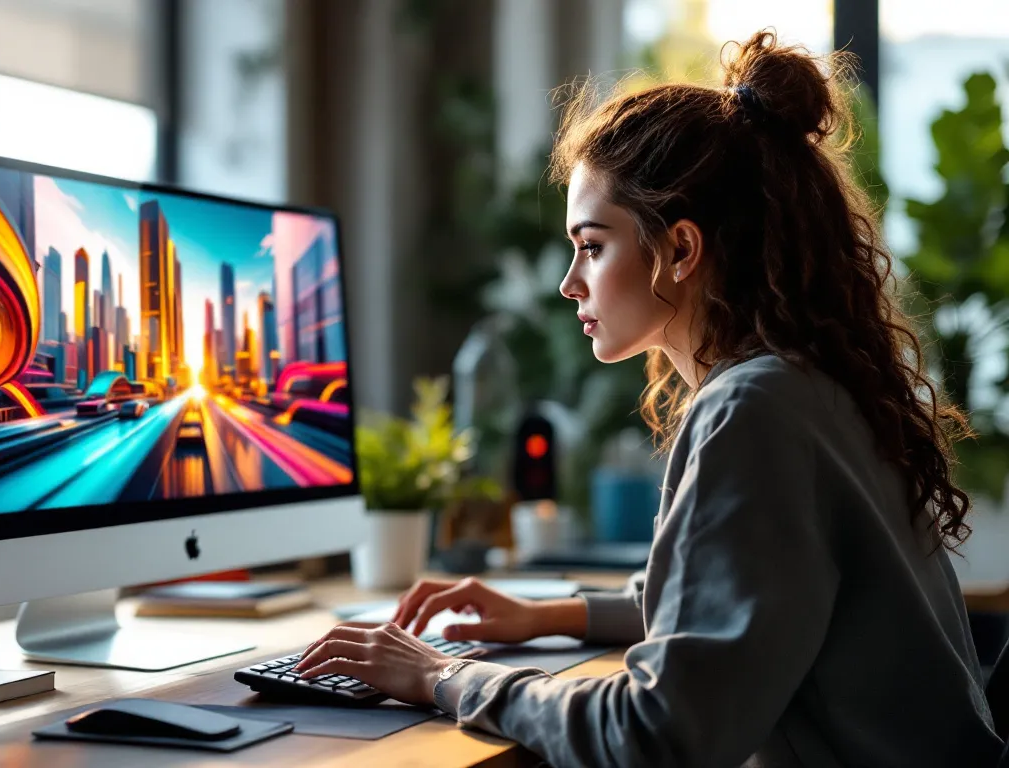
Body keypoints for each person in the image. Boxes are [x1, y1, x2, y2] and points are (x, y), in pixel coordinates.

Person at [295, 31, 1005, 767]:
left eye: (592, 246)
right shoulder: (810, 386)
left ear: (682, 249)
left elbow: (658, 734)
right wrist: (546, 615)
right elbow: (736, 603)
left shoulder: (755, 409)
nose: (569, 282)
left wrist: (444, 677)